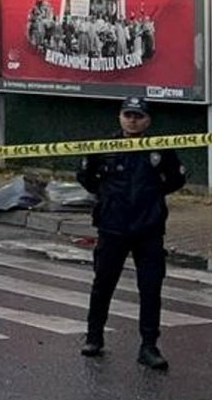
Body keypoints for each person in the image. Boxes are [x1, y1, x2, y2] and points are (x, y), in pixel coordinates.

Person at [76, 97, 187, 370]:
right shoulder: (103, 148)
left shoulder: (159, 149)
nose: (133, 120)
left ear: (147, 120)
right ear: (120, 117)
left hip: (148, 230)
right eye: (128, 115)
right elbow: (87, 178)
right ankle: (94, 337)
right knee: (103, 283)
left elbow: (175, 179)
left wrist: (151, 198)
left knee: (150, 288)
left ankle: (149, 346)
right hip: (113, 227)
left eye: (138, 116)